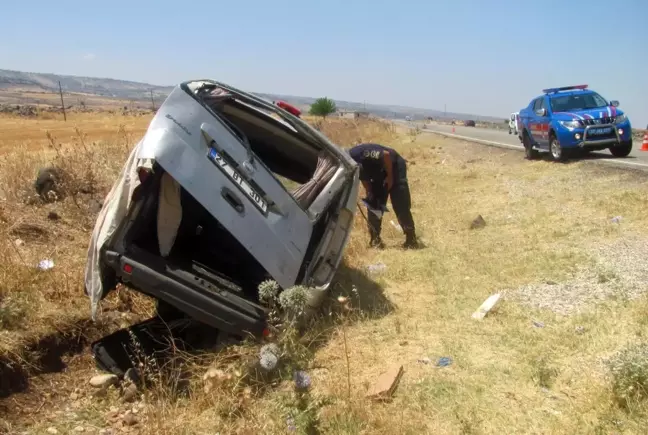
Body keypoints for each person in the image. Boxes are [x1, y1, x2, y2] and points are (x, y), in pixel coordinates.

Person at [348, 143, 421, 249]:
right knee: (374, 204)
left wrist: (390, 177)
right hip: (378, 172)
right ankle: (375, 240)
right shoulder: (350, 164)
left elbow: (386, 155)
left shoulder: (358, 154)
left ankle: (411, 239)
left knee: (400, 202)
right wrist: (369, 191)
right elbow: (363, 176)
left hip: (394, 166)